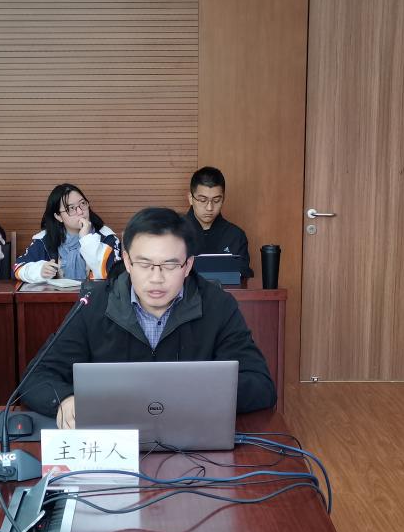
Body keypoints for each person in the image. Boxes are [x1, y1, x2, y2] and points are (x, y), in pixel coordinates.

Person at [21, 207, 276, 427]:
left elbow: (260, 385)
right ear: (127, 262)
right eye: (144, 264)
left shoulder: (217, 305)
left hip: (192, 438)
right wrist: (65, 399)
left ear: (187, 265)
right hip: (115, 444)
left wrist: (193, 396)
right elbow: (36, 377)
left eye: (170, 265)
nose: (156, 278)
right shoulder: (94, 304)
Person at [15, 183, 120, 284]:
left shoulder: (107, 237)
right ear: (58, 216)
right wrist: (39, 270)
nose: (80, 212)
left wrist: (87, 239)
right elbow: (18, 268)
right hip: (56, 296)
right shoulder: (45, 239)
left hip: (95, 295)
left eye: (83, 204)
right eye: (71, 208)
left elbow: (115, 275)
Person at [185, 166, 253, 279]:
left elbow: (244, 273)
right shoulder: (175, 232)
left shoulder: (236, 235)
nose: (209, 207)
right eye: (202, 200)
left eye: (216, 200)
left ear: (223, 199)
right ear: (190, 198)